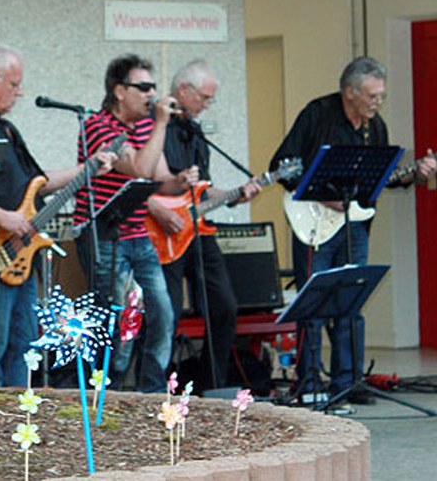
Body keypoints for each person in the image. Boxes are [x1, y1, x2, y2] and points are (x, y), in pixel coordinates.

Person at [0, 45, 117, 387]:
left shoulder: (7, 129)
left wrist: (87, 169)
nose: (20, 92)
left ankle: (19, 410)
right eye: (15, 84)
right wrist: (2, 217)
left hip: (18, 254)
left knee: (23, 340)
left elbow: (35, 184)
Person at [270, 56, 435, 405]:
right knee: (312, 304)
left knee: (351, 302)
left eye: (381, 96)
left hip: (354, 224)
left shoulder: (374, 128)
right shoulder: (317, 114)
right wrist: (321, 194)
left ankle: (348, 382)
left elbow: (377, 181)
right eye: (372, 96)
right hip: (314, 221)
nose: (378, 102)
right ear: (350, 92)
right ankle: (309, 384)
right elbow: (282, 166)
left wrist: (414, 173)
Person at [73, 54, 198, 393]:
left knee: (163, 313)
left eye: (154, 87)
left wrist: (181, 181)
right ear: (118, 91)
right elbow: (138, 169)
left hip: (138, 234)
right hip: (103, 236)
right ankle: (108, 393)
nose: (151, 94)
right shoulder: (97, 126)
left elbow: (159, 180)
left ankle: (152, 390)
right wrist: (160, 124)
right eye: (143, 87)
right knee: (117, 321)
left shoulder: (145, 127)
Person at [151, 59, 260, 389]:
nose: (207, 105)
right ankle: (157, 386)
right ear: (183, 90)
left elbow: (203, 189)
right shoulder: (152, 126)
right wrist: (158, 207)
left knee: (224, 305)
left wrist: (235, 195)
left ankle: (212, 384)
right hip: (163, 230)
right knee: (165, 312)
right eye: (205, 98)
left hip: (196, 228)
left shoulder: (194, 131)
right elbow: (137, 178)